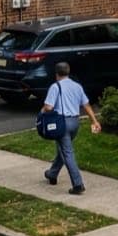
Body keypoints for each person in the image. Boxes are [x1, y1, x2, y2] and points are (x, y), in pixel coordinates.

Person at [41, 62, 100, 195]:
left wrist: (41, 116)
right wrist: (94, 121)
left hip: (62, 123)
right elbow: (86, 105)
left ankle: (78, 184)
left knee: (67, 153)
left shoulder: (55, 87)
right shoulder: (77, 86)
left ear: (56, 74)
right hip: (75, 122)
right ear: (68, 72)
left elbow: (48, 107)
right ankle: (52, 174)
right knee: (63, 149)